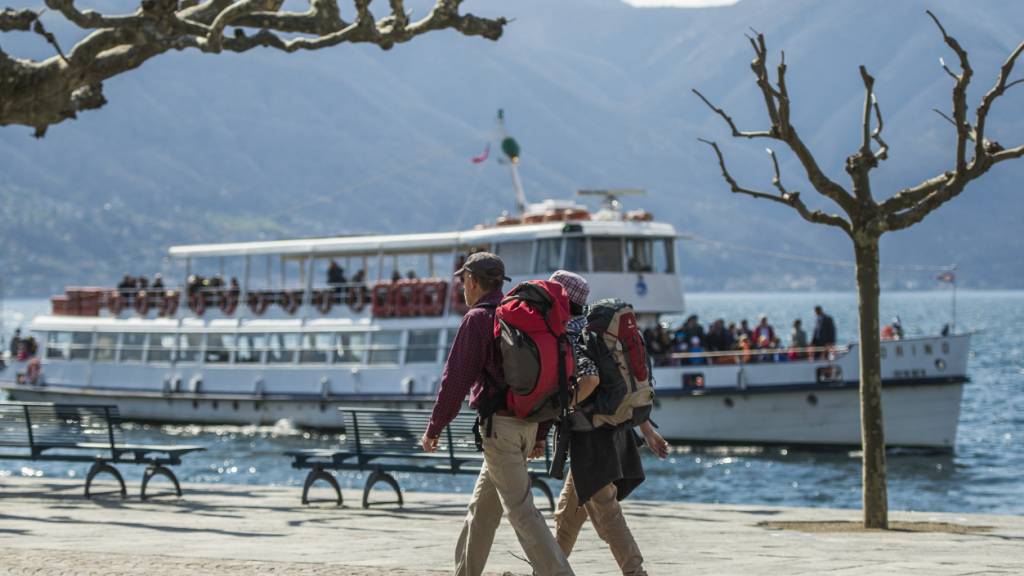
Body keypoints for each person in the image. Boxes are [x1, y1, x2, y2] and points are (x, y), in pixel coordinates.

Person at [420, 253, 573, 576]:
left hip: (499, 428)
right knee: (482, 509)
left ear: (473, 282)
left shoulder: (477, 319)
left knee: (521, 511)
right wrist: (541, 432)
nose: (463, 287)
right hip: (528, 423)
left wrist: (434, 427)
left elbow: (456, 379)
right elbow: (552, 377)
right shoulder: (521, 316)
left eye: (464, 281)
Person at [547, 270, 668, 576]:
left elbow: (590, 378)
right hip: (614, 428)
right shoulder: (597, 331)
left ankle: (635, 572)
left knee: (607, 513)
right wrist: (649, 431)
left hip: (592, 437)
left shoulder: (572, 333)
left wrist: (566, 405)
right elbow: (622, 384)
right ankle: (547, 570)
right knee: (567, 513)